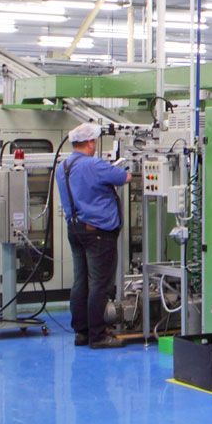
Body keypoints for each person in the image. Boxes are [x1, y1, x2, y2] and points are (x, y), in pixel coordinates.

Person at [55, 122, 129, 349]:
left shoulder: (63, 166)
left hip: (75, 229)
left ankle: (82, 332)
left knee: (81, 282)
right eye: (94, 141)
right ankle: (98, 335)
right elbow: (124, 177)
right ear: (89, 143)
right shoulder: (94, 164)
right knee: (99, 284)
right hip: (98, 232)